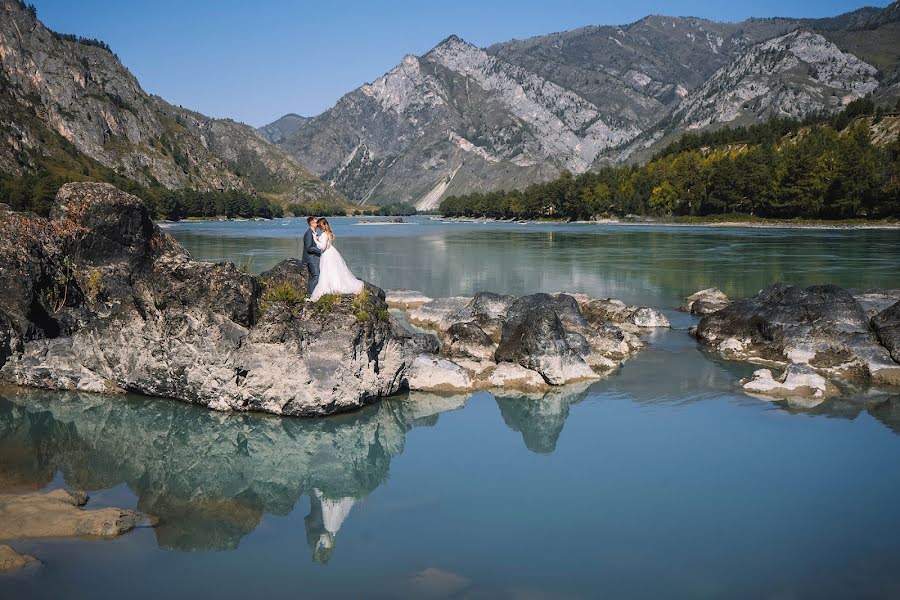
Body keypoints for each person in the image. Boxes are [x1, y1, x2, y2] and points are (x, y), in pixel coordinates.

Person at [309, 218, 364, 301]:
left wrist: (315, 240)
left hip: (327, 254)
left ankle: (331, 287)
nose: (318, 228)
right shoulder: (328, 233)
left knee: (326, 272)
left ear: (321, 226)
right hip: (332, 252)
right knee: (335, 271)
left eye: (319, 226)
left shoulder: (324, 234)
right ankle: (335, 285)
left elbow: (323, 247)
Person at [301, 216, 322, 295]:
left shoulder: (313, 233)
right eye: (316, 222)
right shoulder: (308, 233)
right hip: (311, 259)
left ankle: (311, 294)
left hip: (313, 258)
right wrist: (321, 250)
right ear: (311, 223)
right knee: (316, 276)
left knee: (313, 277)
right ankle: (310, 295)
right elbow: (309, 248)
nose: (318, 223)